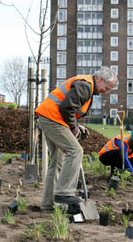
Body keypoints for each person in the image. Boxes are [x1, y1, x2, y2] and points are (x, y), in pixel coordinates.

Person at [35, 66, 119, 210]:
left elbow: (70, 110)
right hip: (52, 119)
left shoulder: (87, 88)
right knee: (76, 151)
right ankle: (64, 192)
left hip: (50, 118)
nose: (107, 92)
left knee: (57, 162)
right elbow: (67, 108)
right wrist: (73, 126)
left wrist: (76, 125)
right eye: (107, 87)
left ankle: (48, 204)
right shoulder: (85, 85)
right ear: (100, 79)